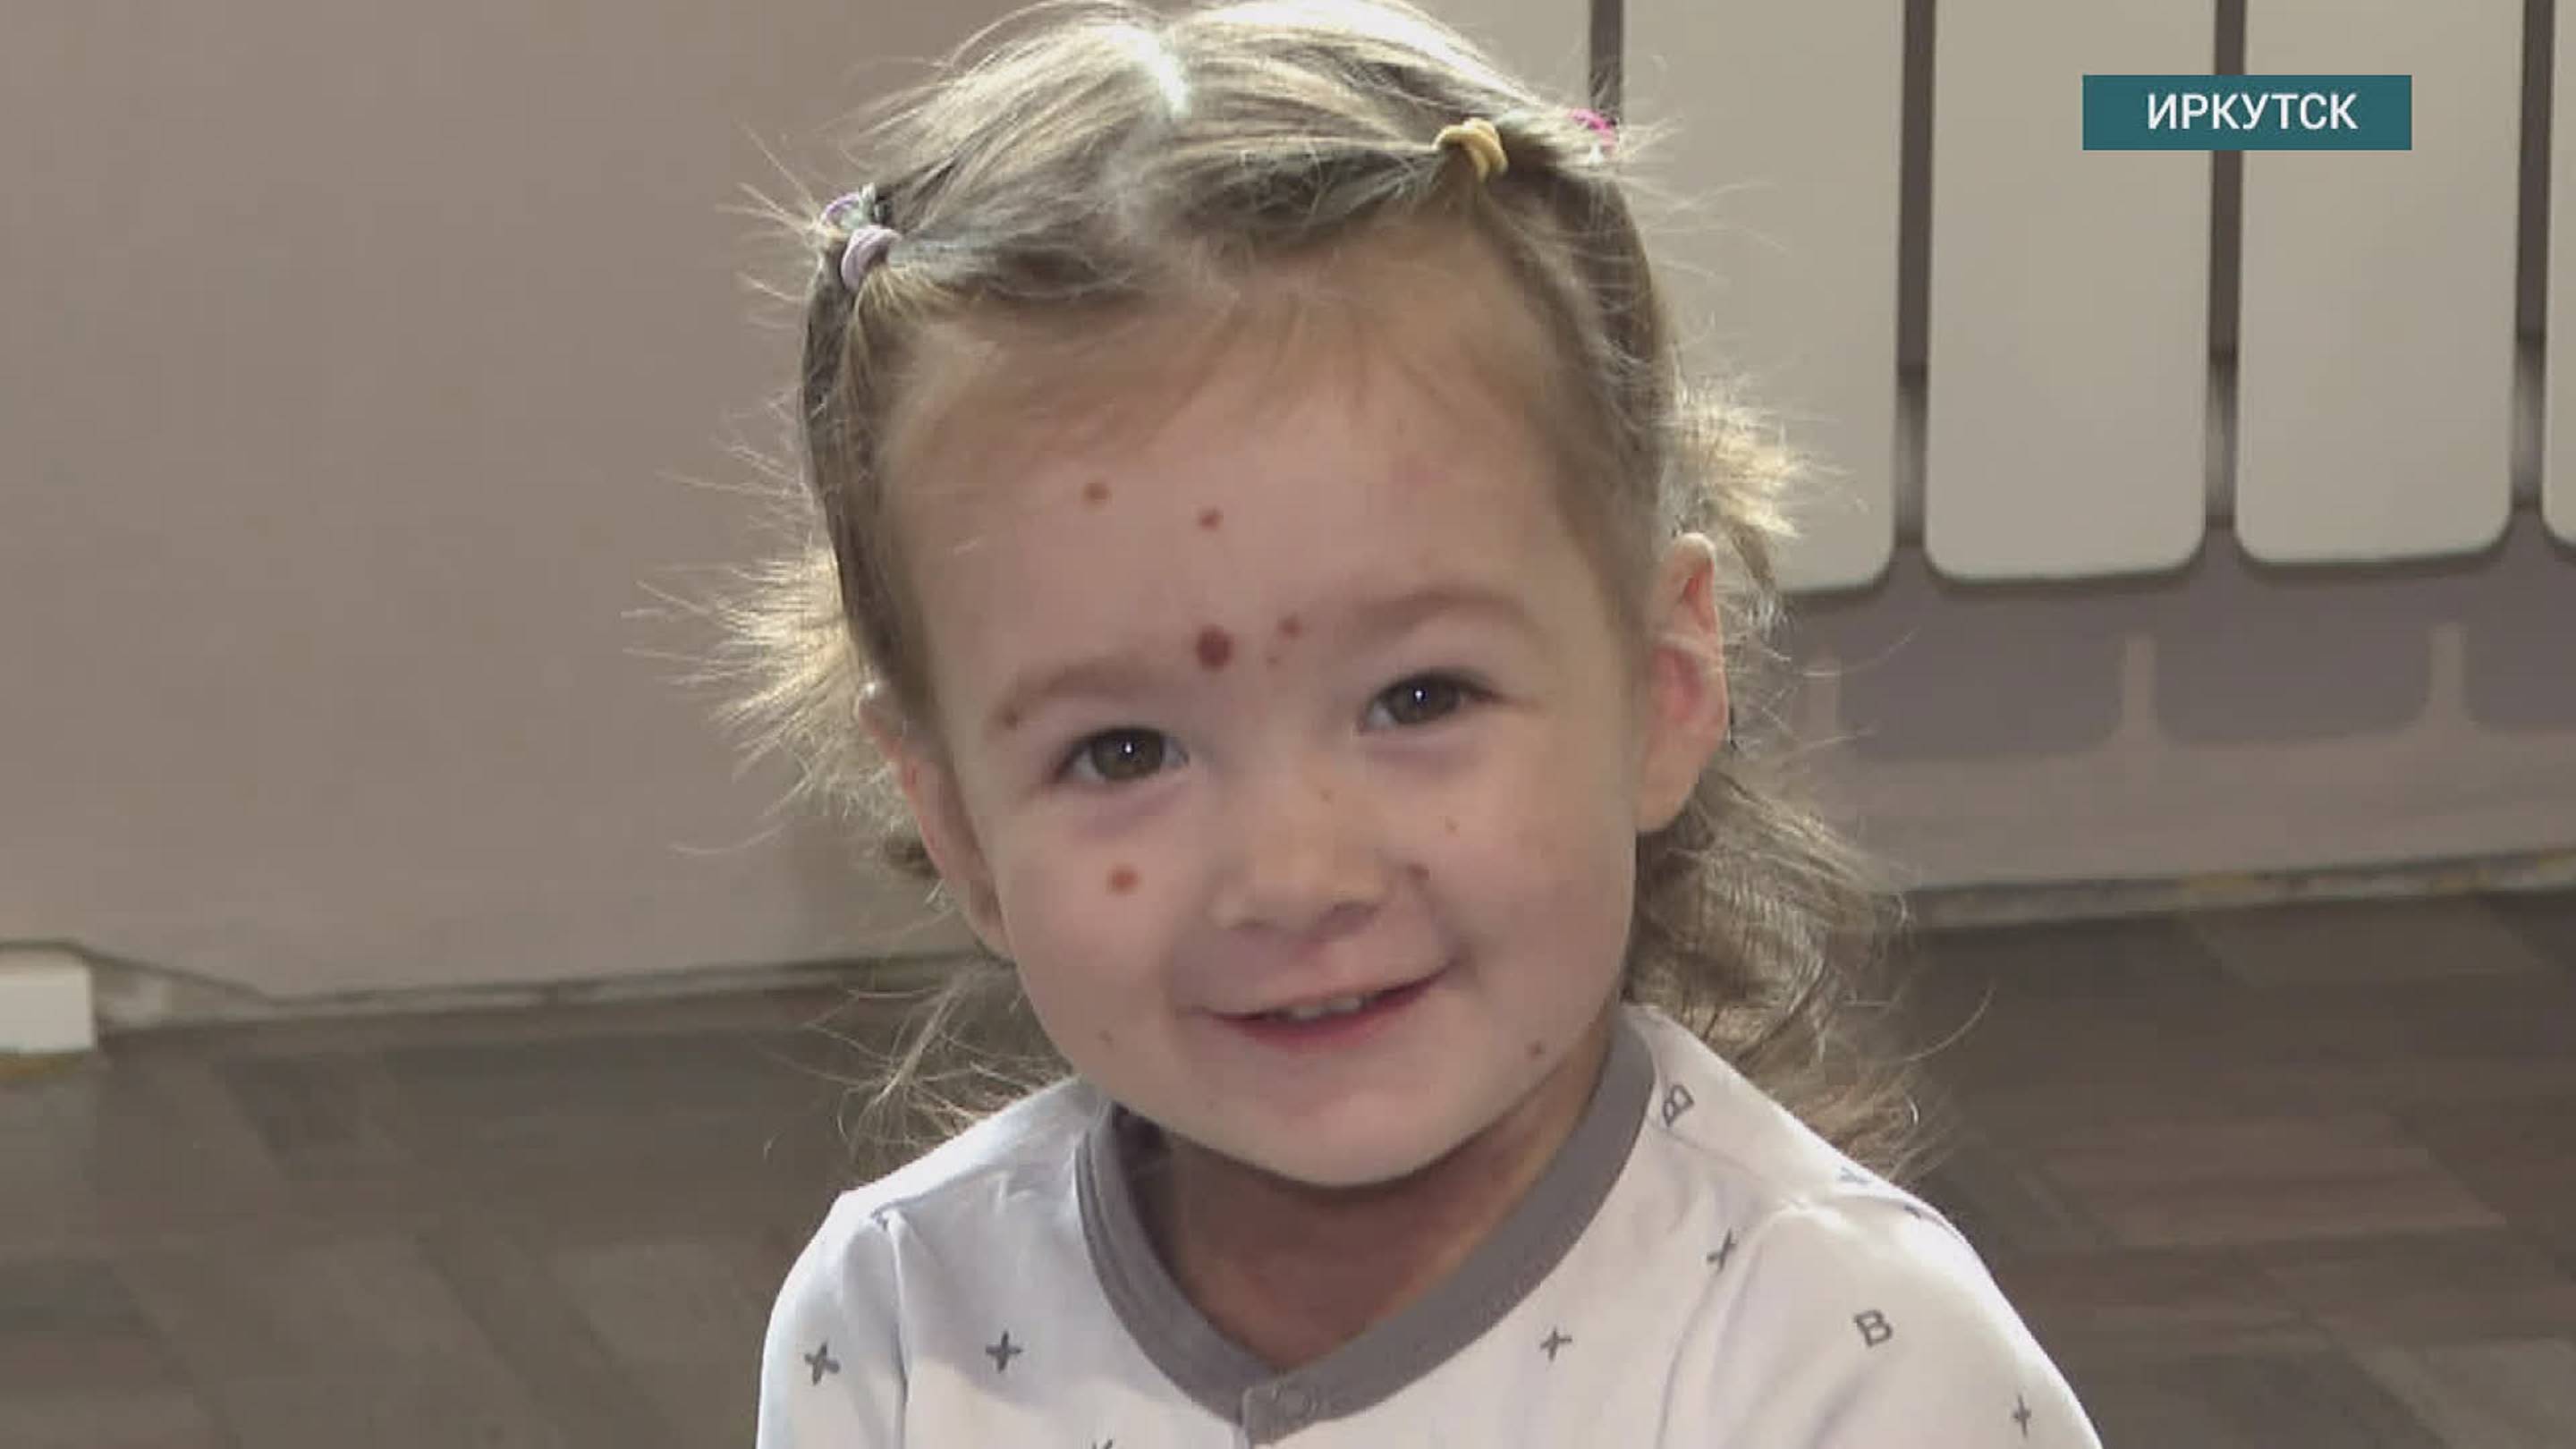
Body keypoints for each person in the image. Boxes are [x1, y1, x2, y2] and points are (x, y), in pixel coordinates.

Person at [734, 1, 2101, 1442]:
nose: (1295, 875)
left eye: (1419, 698)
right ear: (954, 820)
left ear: (1662, 687)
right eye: (1122, 751)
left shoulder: (1849, 1372)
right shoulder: (900, 1327)